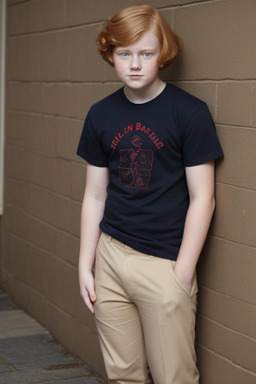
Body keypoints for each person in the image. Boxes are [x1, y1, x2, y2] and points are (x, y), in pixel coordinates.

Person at [77, 4, 223, 384]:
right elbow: (95, 195)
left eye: (146, 53)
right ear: (111, 55)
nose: (135, 64)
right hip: (110, 255)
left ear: (163, 54)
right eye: (124, 54)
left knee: (173, 376)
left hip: (163, 262)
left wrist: (182, 273)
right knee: (123, 374)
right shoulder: (100, 114)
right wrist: (86, 263)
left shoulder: (189, 113)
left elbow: (203, 198)